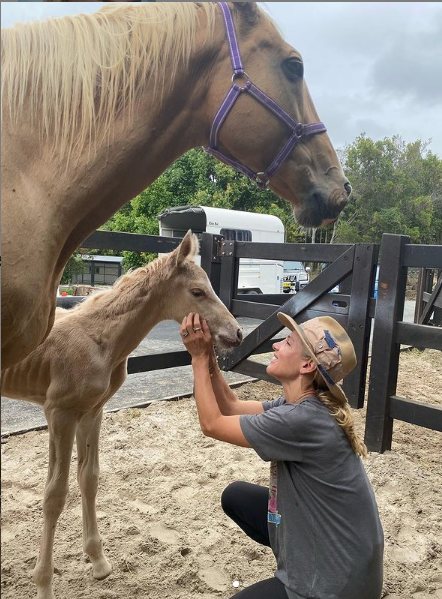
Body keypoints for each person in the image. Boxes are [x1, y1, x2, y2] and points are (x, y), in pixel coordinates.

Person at [180, 311, 384, 599]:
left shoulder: (301, 420)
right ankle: (296, 553)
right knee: (236, 496)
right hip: (349, 559)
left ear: (307, 364)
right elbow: (230, 406)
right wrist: (209, 354)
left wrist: (198, 359)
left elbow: (212, 424)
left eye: (287, 343)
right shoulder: (300, 406)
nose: (276, 346)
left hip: (337, 585)